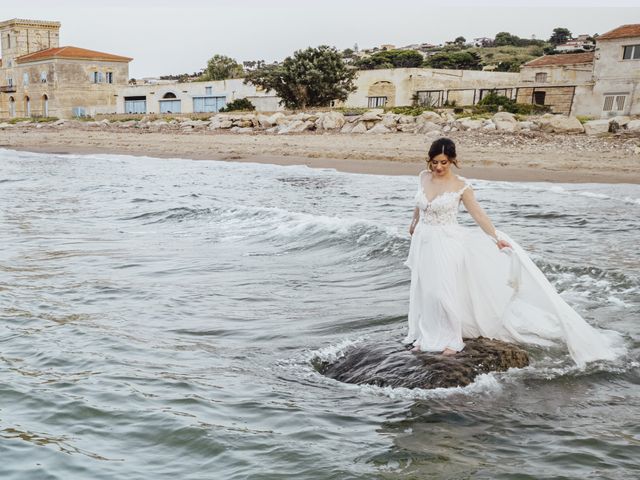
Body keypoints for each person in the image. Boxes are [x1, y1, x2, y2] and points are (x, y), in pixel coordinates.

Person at [404, 137, 623, 366]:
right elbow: (419, 204)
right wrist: (413, 223)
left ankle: (451, 338)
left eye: (444, 163)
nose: (438, 167)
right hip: (424, 240)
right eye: (435, 162)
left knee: (443, 291)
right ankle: (426, 335)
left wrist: (496, 238)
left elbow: (478, 215)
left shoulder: (461, 186)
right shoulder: (423, 176)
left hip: (448, 243)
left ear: (453, 161)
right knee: (425, 289)